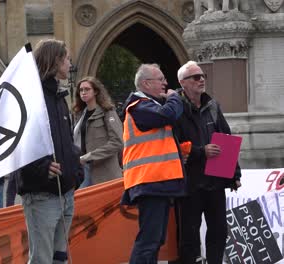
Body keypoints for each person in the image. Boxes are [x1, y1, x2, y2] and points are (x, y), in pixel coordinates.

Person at [17, 39, 83, 264]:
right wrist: (41, 168)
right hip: (42, 195)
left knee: (60, 258)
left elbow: (65, 141)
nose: (69, 63)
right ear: (55, 61)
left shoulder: (59, 98)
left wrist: (76, 168)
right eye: (66, 58)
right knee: (42, 260)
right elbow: (19, 144)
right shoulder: (31, 98)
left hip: (65, 192)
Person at [174, 61, 241, 264]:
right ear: (182, 83)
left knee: (219, 230)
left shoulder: (212, 106)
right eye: (195, 77)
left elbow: (226, 138)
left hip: (215, 181)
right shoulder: (175, 108)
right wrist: (200, 152)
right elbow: (173, 144)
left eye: (202, 76)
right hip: (190, 183)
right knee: (189, 235)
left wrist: (235, 174)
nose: (201, 79)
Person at [120, 64, 185, 263]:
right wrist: (174, 97)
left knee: (155, 239)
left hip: (157, 181)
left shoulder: (148, 105)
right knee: (149, 239)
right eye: (161, 79)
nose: (166, 83)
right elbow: (169, 114)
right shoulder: (139, 105)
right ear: (147, 83)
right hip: (149, 180)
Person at [72, 76, 123, 187]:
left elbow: (117, 142)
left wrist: (90, 156)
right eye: (81, 90)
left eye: (87, 89)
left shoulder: (107, 112)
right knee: (81, 202)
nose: (83, 92)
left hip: (104, 171)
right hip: (83, 168)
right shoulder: (80, 115)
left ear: (95, 91)